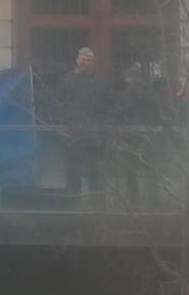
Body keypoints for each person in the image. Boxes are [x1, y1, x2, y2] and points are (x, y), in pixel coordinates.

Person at [59, 48, 107, 203]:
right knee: (73, 167)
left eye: (88, 60)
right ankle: (73, 199)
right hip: (72, 131)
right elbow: (59, 104)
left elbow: (104, 106)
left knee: (93, 167)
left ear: (92, 62)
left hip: (93, 132)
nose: (85, 63)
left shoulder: (98, 82)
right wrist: (62, 125)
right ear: (77, 60)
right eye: (83, 59)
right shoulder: (67, 80)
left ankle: (95, 200)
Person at [112, 62, 160, 206]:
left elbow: (120, 111)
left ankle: (133, 200)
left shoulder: (128, 92)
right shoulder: (150, 91)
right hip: (148, 134)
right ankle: (153, 200)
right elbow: (157, 112)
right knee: (150, 168)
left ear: (128, 77)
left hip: (131, 134)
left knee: (130, 169)